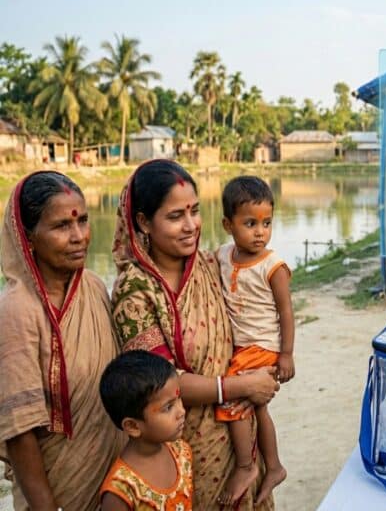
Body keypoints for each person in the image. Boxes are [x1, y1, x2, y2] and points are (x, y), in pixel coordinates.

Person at [111, 159, 280, 510]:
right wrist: (242, 387)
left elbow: (255, 326)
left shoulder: (210, 265)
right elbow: (158, 385)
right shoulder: (135, 292)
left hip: (239, 435)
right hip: (183, 446)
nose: (190, 226)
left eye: (195, 211)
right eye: (175, 216)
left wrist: (267, 371)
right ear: (143, 222)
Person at [0, 172, 124, 510]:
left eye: (83, 221)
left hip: (115, 485)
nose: (79, 237)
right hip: (57, 493)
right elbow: (19, 430)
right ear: (28, 238)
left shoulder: (95, 287)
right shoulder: (17, 311)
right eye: (61, 227)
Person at [216, 176, 293, 506]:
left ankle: (247, 466)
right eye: (250, 223)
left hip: (262, 346)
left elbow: (286, 312)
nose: (260, 232)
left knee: (233, 400)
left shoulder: (272, 266)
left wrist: (286, 354)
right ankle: (273, 465)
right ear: (228, 225)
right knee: (258, 408)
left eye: (266, 223)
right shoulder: (222, 255)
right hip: (242, 346)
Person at [99, 350, 192, 511]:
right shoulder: (121, 490)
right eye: (168, 407)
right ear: (133, 426)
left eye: (179, 399)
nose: (181, 411)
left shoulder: (181, 452)